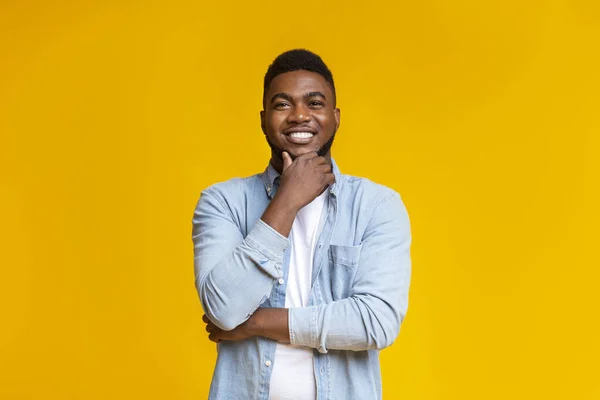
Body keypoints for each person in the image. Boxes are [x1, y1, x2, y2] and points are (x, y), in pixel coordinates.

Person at [192, 49, 412, 400]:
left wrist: (254, 324)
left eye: (314, 103)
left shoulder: (376, 206)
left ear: (335, 117)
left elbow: (375, 322)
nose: (299, 116)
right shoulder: (223, 202)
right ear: (264, 119)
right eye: (283, 105)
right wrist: (287, 200)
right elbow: (222, 308)